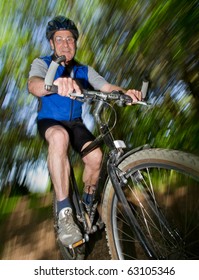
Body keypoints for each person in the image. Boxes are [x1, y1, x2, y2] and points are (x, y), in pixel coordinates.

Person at [28, 15, 141, 247]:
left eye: (70, 39)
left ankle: (89, 205)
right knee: (59, 138)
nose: (65, 44)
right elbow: (34, 85)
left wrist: (125, 92)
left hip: (76, 123)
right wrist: (55, 84)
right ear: (51, 43)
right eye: (59, 39)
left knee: (96, 156)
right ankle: (64, 214)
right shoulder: (42, 63)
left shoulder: (84, 70)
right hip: (50, 121)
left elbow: (107, 86)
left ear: (75, 43)